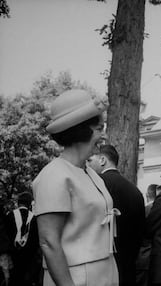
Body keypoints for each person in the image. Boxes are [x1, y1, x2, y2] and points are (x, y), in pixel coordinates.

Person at [32, 89, 118, 286]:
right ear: (81, 130)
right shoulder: (53, 176)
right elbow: (49, 243)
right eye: (99, 128)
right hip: (75, 278)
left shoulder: (91, 173)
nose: (104, 135)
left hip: (105, 272)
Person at [87, 144, 146, 286]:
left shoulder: (95, 184)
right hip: (128, 265)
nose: (87, 165)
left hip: (101, 266)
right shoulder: (135, 191)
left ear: (102, 160)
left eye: (89, 160)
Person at [5, 192, 41, 286]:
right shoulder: (34, 218)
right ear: (29, 204)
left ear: (18, 203)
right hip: (29, 258)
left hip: (13, 257)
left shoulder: (9, 216)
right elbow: (37, 240)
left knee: (14, 280)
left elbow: (6, 236)